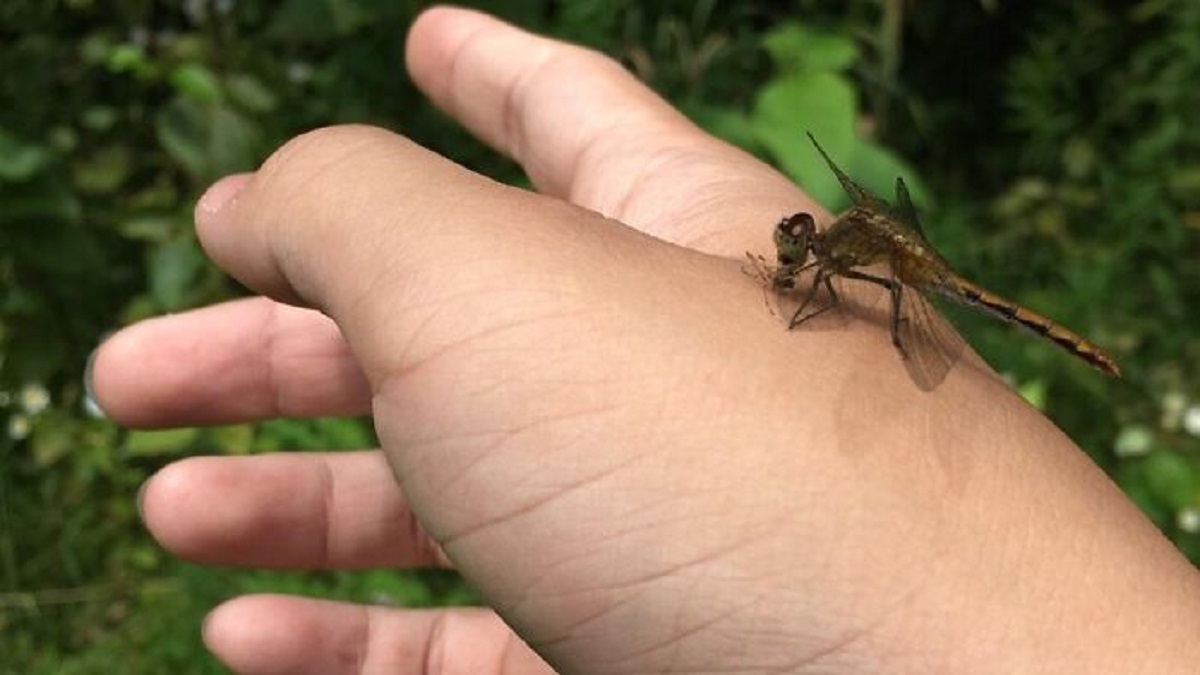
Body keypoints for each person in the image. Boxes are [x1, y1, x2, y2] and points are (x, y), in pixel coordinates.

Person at [87, 6, 1200, 673]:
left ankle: (1079, 347)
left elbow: (854, 324)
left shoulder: (872, 272)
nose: (796, 248)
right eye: (798, 241)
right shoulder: (832, 241)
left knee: (957, 318)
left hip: (933, 289)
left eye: (804, 243)